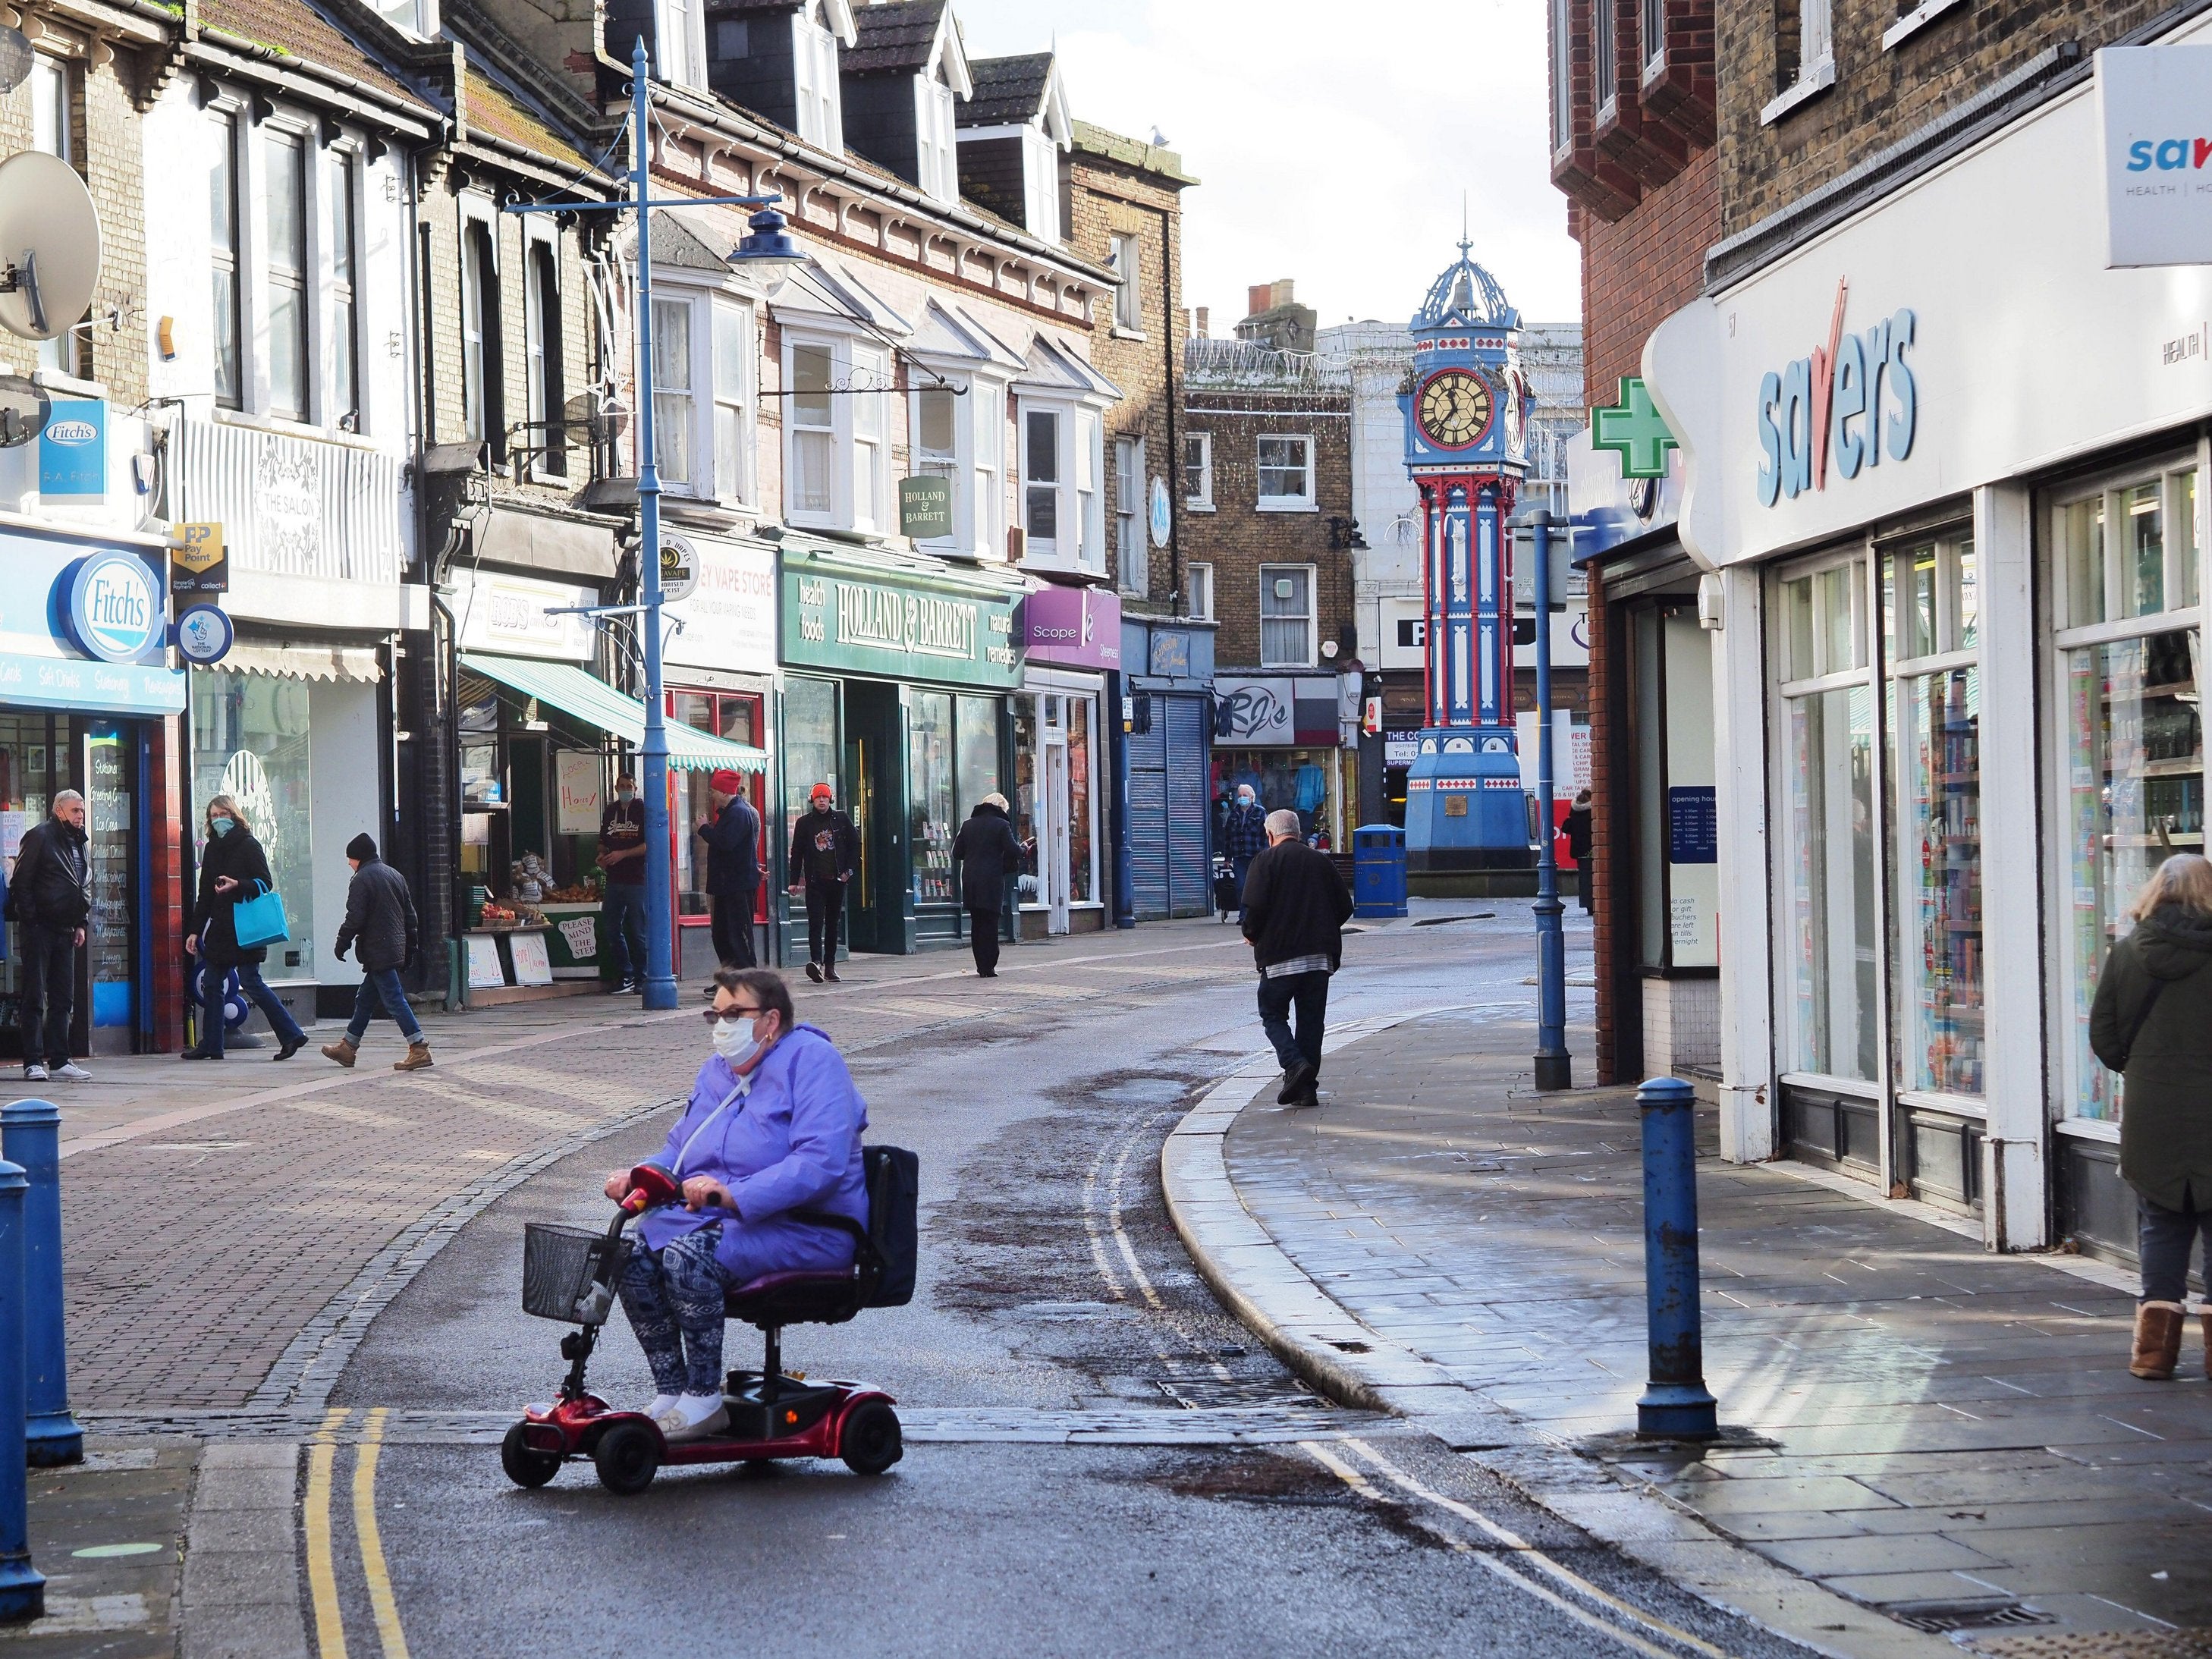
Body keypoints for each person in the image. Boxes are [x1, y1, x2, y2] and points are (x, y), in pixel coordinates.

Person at [607, 966, 869, 1442]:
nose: (722, 1025)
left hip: (808, 1227)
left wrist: (735, 1194)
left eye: (734, 1013)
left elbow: (820, 1162)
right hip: (727, 1222)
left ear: (770, 1020)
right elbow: (681, 1149)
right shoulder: (717, 1074)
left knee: (688, 1258)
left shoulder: (814, 1061)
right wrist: (640, 1176)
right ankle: (672, 1392)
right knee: (629, 1251)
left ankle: (705, 1398)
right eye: (716, 1015)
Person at [2091, 853, 2212, 1381]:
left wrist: (2140, 1068)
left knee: (2162, 1223)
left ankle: (2154, 1353)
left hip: (2151, 1107)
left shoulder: (2127, 953)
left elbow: (2106, 1036)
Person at [1240, 808, 1353, 1111]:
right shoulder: (1321, 861)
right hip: (1319, 959)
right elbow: (1345, 906)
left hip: (1279, 957)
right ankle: (1306, 1091)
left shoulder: (1265, 861)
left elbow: (1254, 906)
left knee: (1273, 1014)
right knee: (1311, 1023)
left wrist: (1251, 933)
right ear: (1299, 833)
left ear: (1270, 835)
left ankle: (1293, 1064)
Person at [182, 794, 307, 1062]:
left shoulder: (249, 845)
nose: (218, 821)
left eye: (223, 815)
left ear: (234, 815)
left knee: (251, 981)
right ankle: (212, 1045)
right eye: (213, 816)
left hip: (247, 928)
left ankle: (291, 1034)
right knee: (213, 982)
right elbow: (205, 894)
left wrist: (237, 884)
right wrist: (194, 930)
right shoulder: (212, 848)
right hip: (221, 929)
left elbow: (265, 882)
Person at [322, 833, 431, 1072]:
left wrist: (342, 942)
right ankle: (348, 1047)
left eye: (350, 859)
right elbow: (410, 917)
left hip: (378, 950)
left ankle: (418, 1046)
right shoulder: (395, 875)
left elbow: (355, 917)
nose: (349, 864)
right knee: (365, 999)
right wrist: (410, 949)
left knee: (394, 998)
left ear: (358, 857)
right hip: (391, 948)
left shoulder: (361, 879)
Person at [7, 791, 90, 1083]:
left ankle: (60, 1059)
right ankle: (32, 1060)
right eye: (75, 810)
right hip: (40, 929)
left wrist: (81, 922)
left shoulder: (80, 844)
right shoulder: (40, 836)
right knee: (34, 995)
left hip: (66, 931)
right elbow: (20, 883)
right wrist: (32, 920)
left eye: (82, 810)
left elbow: (83, 886)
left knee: (62, 998)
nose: (80, 815)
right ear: (59, 810)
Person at [787, 783, 857, 985]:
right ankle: (816, 963)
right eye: (818, 798)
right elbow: (797, 853)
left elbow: (855, 846)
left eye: (825, 797)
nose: (821, 801)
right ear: (812, 800)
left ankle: (830, 967)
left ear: (831, 799)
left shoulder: (842, 819)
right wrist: (794, 881)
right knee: (815, 924)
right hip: (815, 882)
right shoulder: (804, 823)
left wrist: (848, 872)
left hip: (837, 881)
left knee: (833, 925)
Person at [695, 770, 761, 979]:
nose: (711, 795)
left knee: (738, 935)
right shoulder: (732, 812)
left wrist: (704, 829)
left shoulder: (738, 813)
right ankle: (730, 978)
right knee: (722, 935)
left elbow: (726, 843)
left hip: (736, 886)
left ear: (724, 792)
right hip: (727, 885)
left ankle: (748, 980)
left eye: (713, 790)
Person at [950, 793, 1022, 978]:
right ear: (1000, 808)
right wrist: (1024, 849)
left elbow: (957, 853)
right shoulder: (1002, 825)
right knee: (991, 922)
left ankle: (981, 965)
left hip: (971, 879)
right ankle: (989, 966)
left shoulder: (967, 824)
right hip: (991, 880)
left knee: (977, 923)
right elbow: (1013, 849)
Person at [599, 772, 648, 994]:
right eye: (622, 786)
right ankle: (625, 974)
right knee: (611, 928)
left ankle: (642, 977)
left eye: (629, 786)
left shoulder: (642, 809)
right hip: (614, 878)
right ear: (616, 788)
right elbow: (603, 840)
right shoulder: (611, 811)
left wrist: (623, 854)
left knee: (638, 930)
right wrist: (602, 856)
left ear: (636, 788)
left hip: (637, 878)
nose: (626, 789)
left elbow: (649, 845)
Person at [1222, 784, 1268, 921]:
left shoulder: (1260, 812)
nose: (1242, 798)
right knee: (1241, 886)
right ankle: (1244, 916)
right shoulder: (1233, 814)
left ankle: (1256, 916)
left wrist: (1265, 853)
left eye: (1245, 795)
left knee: (1255, 886)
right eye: (1240, 795)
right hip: (1239, 855)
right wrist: (1227, 857)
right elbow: (1228, 837)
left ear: (1252, 797)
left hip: (1255, 855)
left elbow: (1265, 835)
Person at [1563, 788, 1593, 914]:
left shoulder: (1574, 810)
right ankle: (1593, 903)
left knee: (1584, 876)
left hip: (1578, 848)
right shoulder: (1593, 811)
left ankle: (1588, 905)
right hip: (1592, 847)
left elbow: (1567, 828)